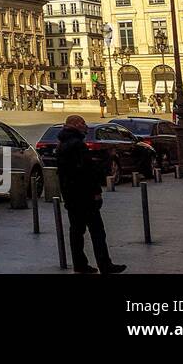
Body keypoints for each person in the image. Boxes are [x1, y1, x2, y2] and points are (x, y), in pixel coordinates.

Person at [55, 115, 125, 275]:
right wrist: (96, 192)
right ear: (75, 125)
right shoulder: (77, 145)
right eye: (83, 123)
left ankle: (80, 264)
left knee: (76, 231)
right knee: (97, 231)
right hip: (84, 196)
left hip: (70, 195)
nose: (85, 126)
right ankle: (105, 265)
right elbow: (85, 172)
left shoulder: (61, 144)